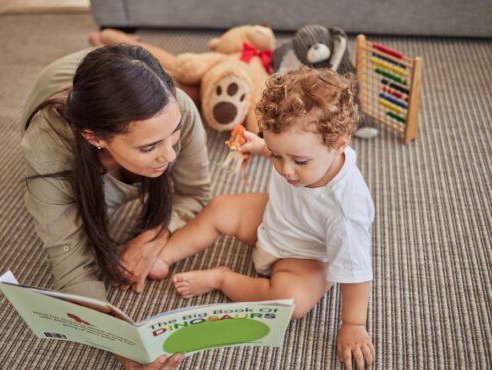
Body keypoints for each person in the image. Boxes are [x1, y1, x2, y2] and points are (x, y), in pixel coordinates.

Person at [150, 67, 375, 370]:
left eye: (299, 161)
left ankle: (222, 278)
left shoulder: (347, 209)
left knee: (289, 303)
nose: (286, 170)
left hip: (304, 255)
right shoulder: (300, 150)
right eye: (276, 154)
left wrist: (353, 324)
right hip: (275, 216)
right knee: (219, 208)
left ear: (339, 144)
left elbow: (356, 272)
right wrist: (260, 148)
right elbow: (286, 151)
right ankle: (163, 255)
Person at [21, 44, 211, 369]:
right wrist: (128, 349)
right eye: (149, 146)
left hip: (114, 66)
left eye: (174, 134)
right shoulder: (47, 149)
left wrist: (157, 234)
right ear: (95, 139)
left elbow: (195, 193)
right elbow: (73, 269)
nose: (170, 155)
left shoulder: (177, 106)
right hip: (59, 76)